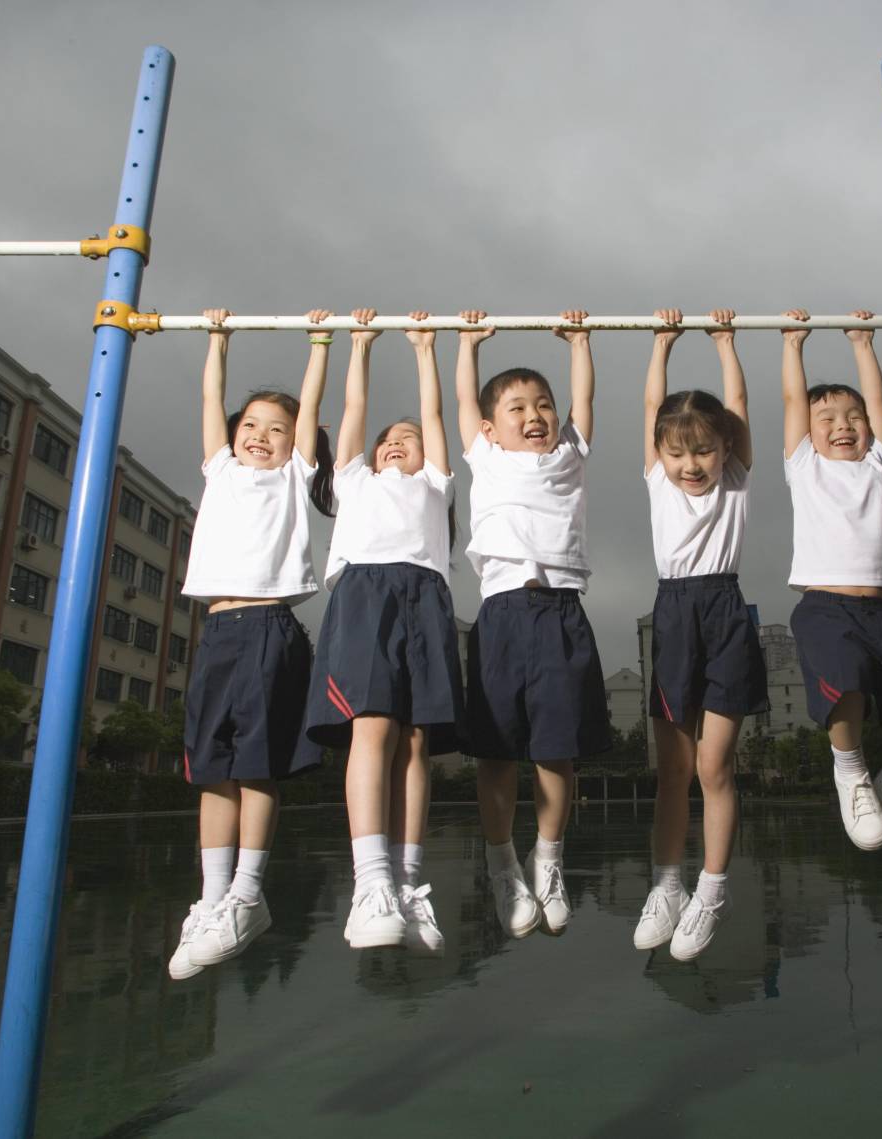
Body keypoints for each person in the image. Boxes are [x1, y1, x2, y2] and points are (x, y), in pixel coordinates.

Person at [169, 307, 335, 980]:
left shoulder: (292, 476)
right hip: (219, 630)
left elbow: (313, 399)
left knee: (254, 764)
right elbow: (210, 396)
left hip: (268, 626)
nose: (262, 437)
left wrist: (319, 342)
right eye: (251, 426)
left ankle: (247, 891)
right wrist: (217, 338)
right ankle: (212, 899)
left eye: (278, 429)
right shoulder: (221, 468)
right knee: (212, 766)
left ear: (296, 443)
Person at [304, 309, 463, 956]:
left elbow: (434, 416)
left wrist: (426, 350)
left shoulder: (435, 483)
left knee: (417, 740)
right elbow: (352, 405)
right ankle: (369, 883)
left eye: (409, 437)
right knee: (374, 729)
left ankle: (406, 881)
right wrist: (361, 346)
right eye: (386, 439)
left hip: (425, 596)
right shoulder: (355, 480)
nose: (397, 441)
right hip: (366, 592)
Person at [456, 308, 610, 938]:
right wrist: (466, 346)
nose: (535, 415)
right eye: (518, 408)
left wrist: (579, 344)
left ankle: (548, 861)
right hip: (501, 613)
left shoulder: (570, 455)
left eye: (542, 404)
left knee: (556, 750)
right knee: (496, 755)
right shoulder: (486, 457)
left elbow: (586, 397)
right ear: (492, 429)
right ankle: (502, 867)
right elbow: (466, 399)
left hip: (561, 610)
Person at [780, 308, 882, 863]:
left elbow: (879, 403)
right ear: (809, 431)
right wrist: (793, 344)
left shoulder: (879, 463)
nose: (844, 425)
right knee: (844, 683)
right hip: (826, 608)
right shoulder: (805, 465)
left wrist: (861, 343)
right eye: (827, 418)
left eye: (852, 417)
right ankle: (850, 775)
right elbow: (791, 403)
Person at [635, 308, 768, 960]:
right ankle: (666, 886)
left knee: (714, 765)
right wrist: (662, 345)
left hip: (723, 607)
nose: (692, 464)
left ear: (726, 449)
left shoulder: (736, 477)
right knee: (674, 769)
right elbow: (652, 405)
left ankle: (712, 890)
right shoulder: (659, 479)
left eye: (705, 450)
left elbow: (736, 402)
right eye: (679, 451)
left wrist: (724, 343)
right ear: (661, 453)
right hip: (674, 612)